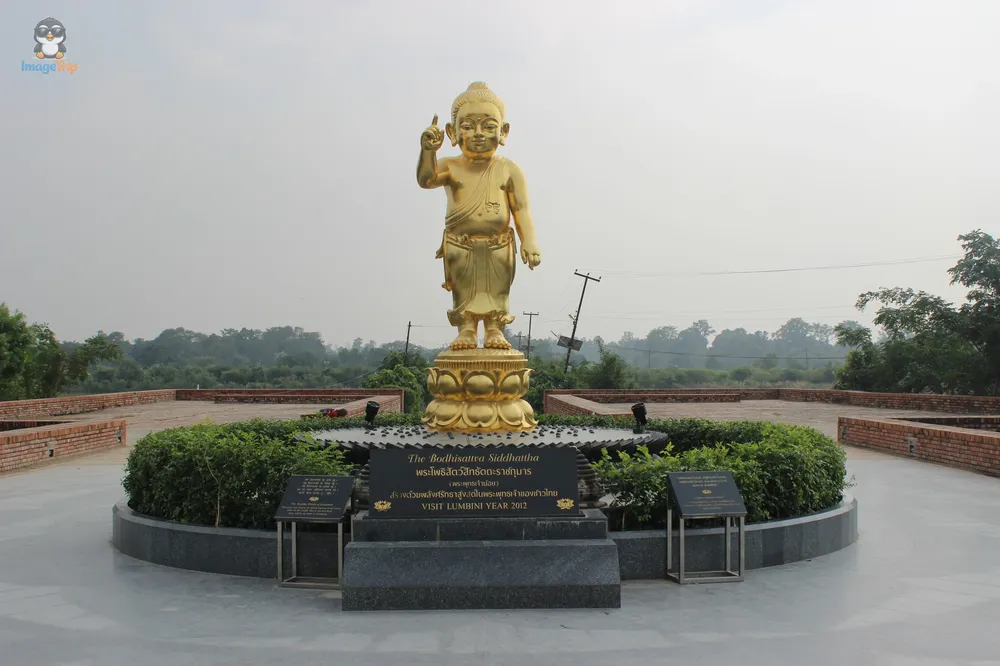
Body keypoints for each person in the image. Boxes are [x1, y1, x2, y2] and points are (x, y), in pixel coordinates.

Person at [416, 82, 542, 350]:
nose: (477, 134)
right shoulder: (451, 165)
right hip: (460, 244)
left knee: (498, 290)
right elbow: (426, 180)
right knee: (464, 287)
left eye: (488, 126)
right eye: (467, 126)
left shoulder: (509, 169)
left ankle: (495, 328)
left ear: (504, 131)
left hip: (499, 244)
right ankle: (467, 329)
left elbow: (521, 209)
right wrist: (428, 151)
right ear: (451, 132)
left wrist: (529, 241)